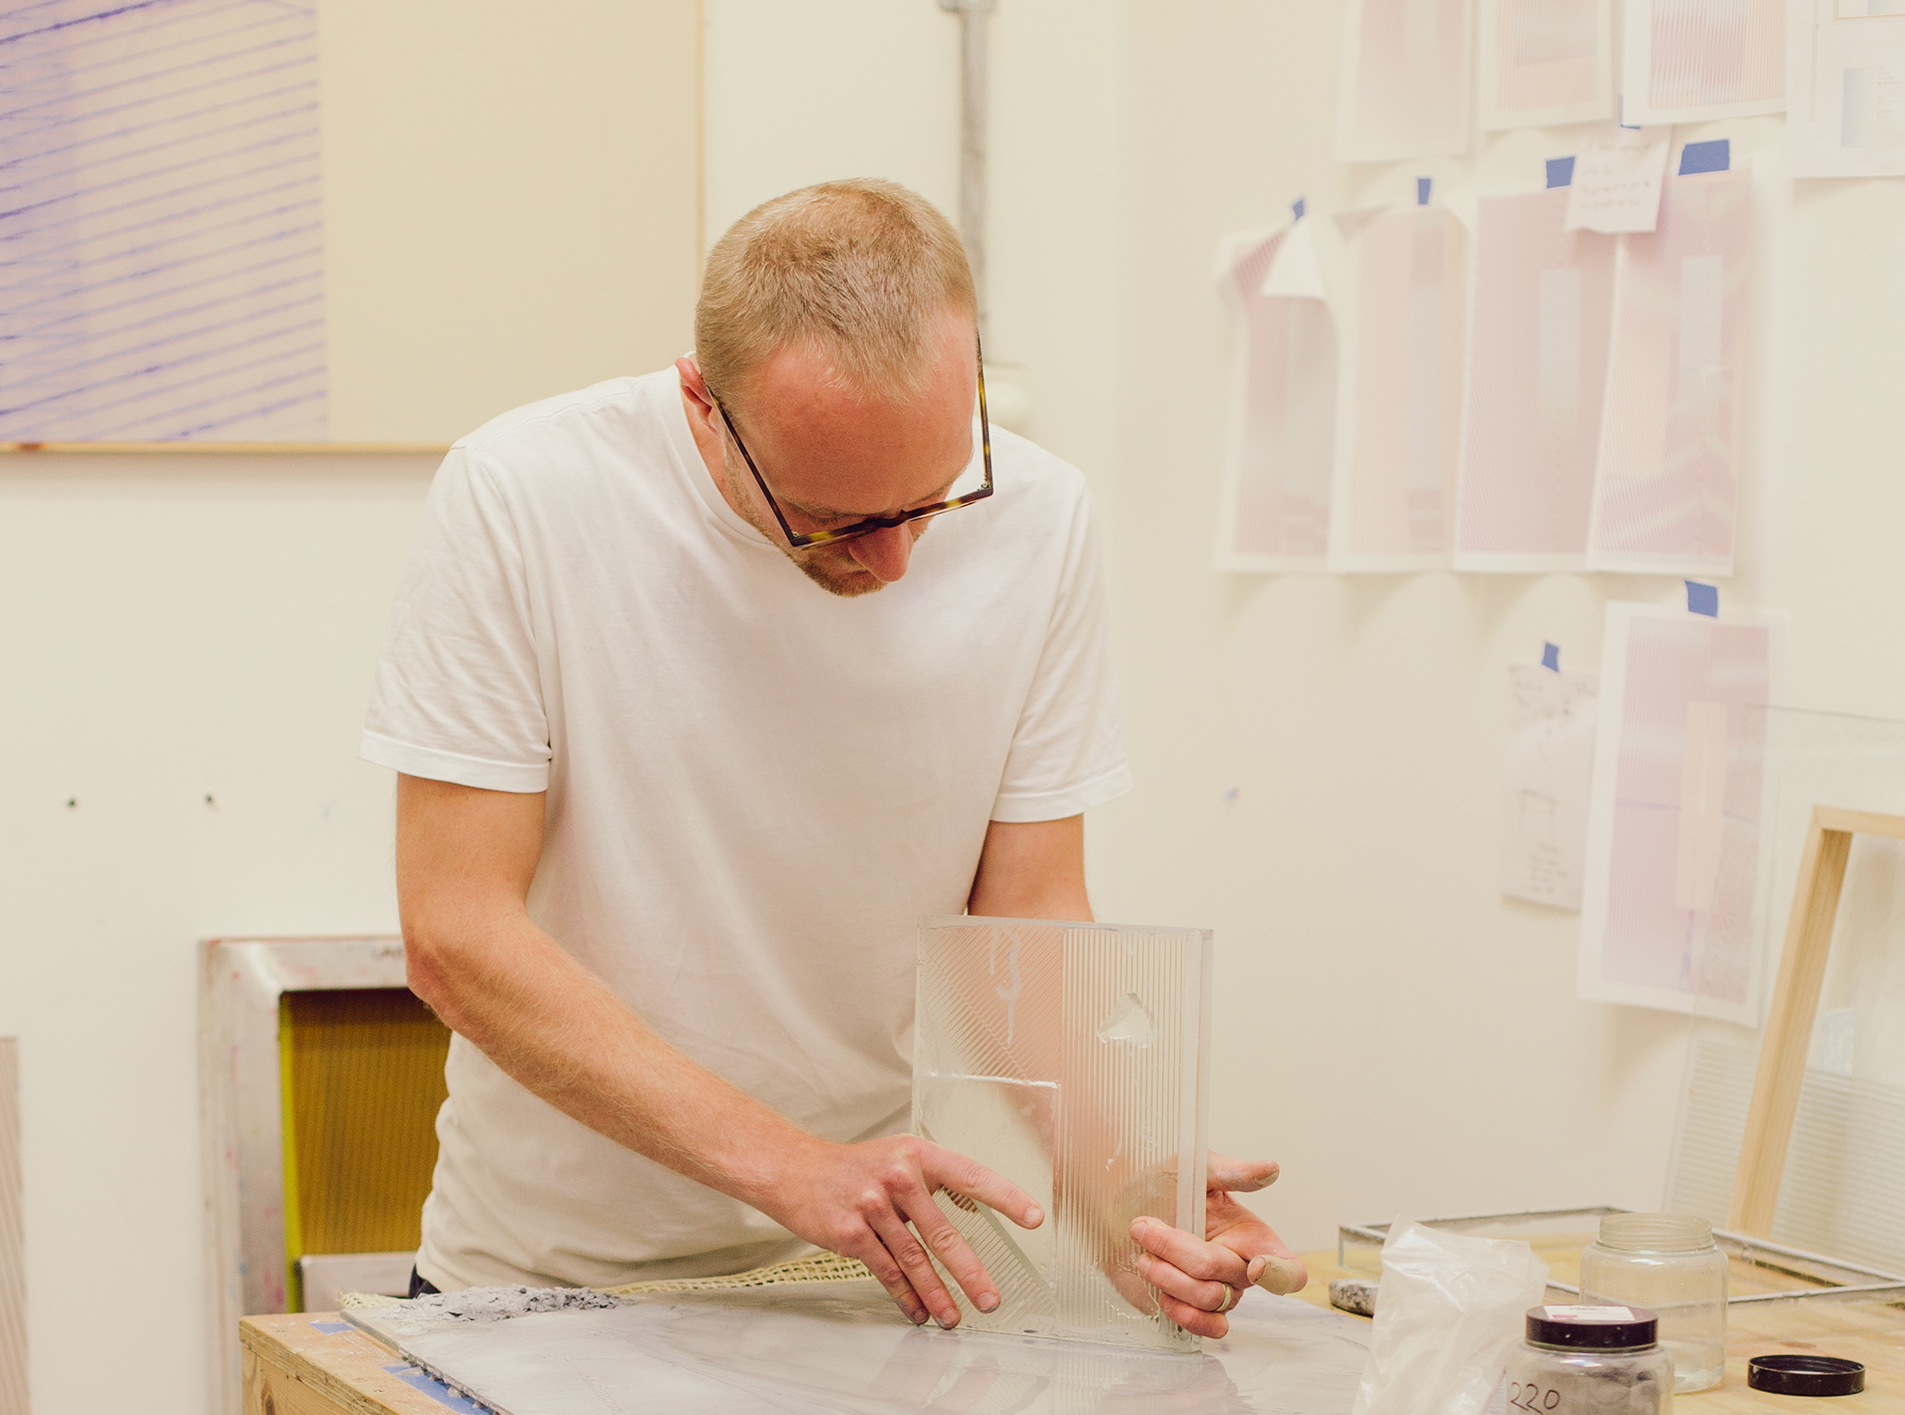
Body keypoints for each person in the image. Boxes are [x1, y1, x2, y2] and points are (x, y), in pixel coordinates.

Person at [362, 178, 1303, 1339]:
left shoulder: (1044, 515)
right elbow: (456, 931)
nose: (897, 562)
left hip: (860, 1279)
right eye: (834, 521)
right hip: (547, 1278)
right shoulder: (526, 494)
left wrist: (1124, 1186)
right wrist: (793, 1167)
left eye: (931, 502)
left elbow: (1029, 914)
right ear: (703, 404)